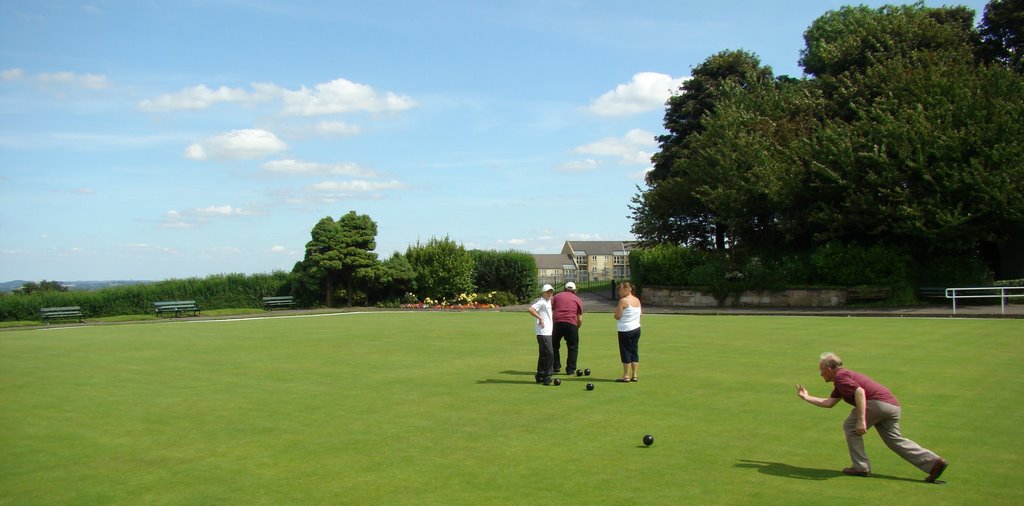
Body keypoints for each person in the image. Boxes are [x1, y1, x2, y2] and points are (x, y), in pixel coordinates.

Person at [796, 352, 949, 482]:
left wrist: (861, 420)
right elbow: (829, 403)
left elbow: (860, 392)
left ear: (829, 369)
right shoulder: (842, 379)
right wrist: (806, 397)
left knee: (850, 426)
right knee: (894, 440)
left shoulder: (841, 377)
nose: (820, 374)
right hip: (892, 406)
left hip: (878, 404)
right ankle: (934, 463)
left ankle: (860, 467)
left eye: (821, 370)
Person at [551, 281, 584, 375]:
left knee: (554, 345)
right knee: (573, 347)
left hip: (557, 323)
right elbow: (580, 319)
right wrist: (576, 328)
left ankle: (556, 366)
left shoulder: (557, 296)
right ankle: (570, 369)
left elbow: (550, 309)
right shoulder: (577, 300)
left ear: (564, 289)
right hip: (571, 324)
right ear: (575, 290)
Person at [613, 281, 642, 382]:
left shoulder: (623, 301)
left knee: (626, 351)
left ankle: (626, 375)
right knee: (634, 351)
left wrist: (616, 313)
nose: (618, 292)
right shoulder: (637, 300)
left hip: (625, 329)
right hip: (636, 328)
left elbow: (617, 316)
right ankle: (634, 375)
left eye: (620, 290)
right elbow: (640, 314)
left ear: (626, 289)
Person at [528, 284, 555, 384]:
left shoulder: (548, 301)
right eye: (548, 292)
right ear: (543, 292)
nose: (549, 293)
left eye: (551, 292)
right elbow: (531, 309)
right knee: (550, 354)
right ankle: (547, 375)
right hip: (543, 332)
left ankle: (540, 375)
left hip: (546, 332)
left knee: (544, 354)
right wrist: (540, 318)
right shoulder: (542, 302)